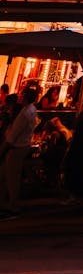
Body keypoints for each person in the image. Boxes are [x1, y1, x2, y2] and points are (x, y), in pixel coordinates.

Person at [0, 82, 40, 219]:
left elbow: (12, 137)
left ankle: (13, 206)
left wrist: (2, 150)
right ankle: (5, 202)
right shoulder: (32, 110)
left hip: (17, 148)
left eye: (22, 95)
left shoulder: (24, 114)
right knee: (5, 175)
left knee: (11, 178)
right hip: (23, 145)